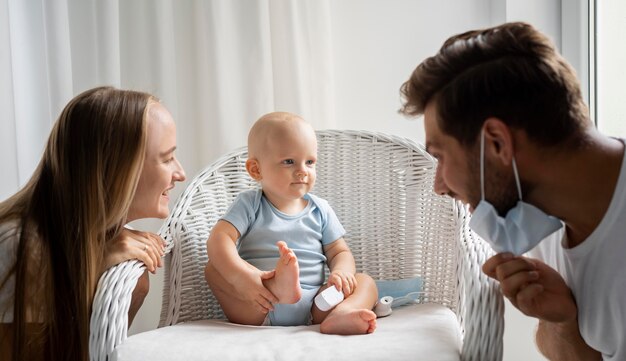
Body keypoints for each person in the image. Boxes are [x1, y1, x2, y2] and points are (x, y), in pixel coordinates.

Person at [400, 22, 624, 360]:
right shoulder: (546, 212)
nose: (440, 186)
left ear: (497, 143)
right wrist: (562, 322)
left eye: (440, 156)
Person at [0, 86, 186, 361]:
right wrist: (91, 270)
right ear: (117, 169)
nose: (180, 173)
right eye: (167, 158)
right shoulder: (22, 247)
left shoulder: (101, 239)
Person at [204, 111, 378, 334]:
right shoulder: (250, 203)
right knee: (213, 270)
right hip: (259, 301)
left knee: (365, 282)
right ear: (256, 169)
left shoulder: (320, 209)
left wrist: (341, 272)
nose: (302, 171)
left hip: (317, 304)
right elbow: (220, 238)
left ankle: (340, 314)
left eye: (310, 162)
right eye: (289, 161)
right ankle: (278, 285)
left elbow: (339, 252)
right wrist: (241, 277)